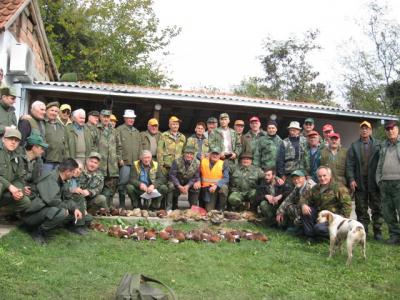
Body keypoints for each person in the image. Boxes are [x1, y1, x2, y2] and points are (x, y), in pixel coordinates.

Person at [23, 158, 89, 244]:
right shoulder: (51, 178)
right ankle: (38, 232)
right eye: (73, 172)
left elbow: (67, 197)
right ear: (67, 171)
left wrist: (75, 208)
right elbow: (53, 201)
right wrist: (69, 209)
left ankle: (47, 227)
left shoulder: (62, 180)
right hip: (31, 215)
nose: (73, 175)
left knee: (78, 215)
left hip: (43, 210)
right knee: (62, 212)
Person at [346, 121, 382, 240]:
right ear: (359, 131)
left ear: (371, 131)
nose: (364, 130)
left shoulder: (378, 145)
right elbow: (349, 164)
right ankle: (363, 231)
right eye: (362, 129)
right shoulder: (354, 145)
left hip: (374, 181)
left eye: (367, 129)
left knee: (377, 207)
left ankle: (378, 232)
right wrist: (351, 179)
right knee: (361, 208)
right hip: (359, 181)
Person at [299, 166, 352, 240]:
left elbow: (347, 206)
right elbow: (304, 198)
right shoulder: (316, 188)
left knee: (319, 228)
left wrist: (341, 222)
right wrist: (303, 205)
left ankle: (336, 236)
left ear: (330, 176)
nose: (322, 178)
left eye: (324, 175)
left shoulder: (339, 188)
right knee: (306, 211)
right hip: (320, 216)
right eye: (320, 176)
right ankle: (311, 236)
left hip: (334, 219)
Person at [376, 120, 400, 245]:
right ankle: (394, 236)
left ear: (398, 129)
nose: (390, 131)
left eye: (393, 128)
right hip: (385, 183)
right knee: (388, 212)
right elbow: (380, 164)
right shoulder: (384, 145)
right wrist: (379, 180)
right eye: (388, 129)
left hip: (399, 183)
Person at [0, 128, 31, 216]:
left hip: (6, 189)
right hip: (2, 186)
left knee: (25, 202)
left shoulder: (18, 156)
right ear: (4, 139)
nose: (13, 142)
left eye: (16, 140)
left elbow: (19, 178)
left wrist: (18, 190)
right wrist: (10, 186)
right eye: (11, 139)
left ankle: (2, 213)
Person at [116, 109, 141, 209]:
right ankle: (122, 205)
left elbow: (140, 147)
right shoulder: (119, 130)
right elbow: (117, 146)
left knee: (135, 184)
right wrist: (119, 158)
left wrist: (140, 158)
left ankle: (135, 204)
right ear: (125, 118)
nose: (131, 120)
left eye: (133, 118)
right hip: (125, 162)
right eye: (129, 118)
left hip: (135, 163)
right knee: (122, 183)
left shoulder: (136, 131)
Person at [97, 109, 120, 208]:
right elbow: (93, 145)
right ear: (100, 117)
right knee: (99, 186)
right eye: (104, 117)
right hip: (100, 164)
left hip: (112, 164)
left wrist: (119, 158)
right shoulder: (96, 129)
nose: (106, 119)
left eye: (108, 117)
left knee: (111, 187)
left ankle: (109, 206)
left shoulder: (114, 131)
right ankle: (100, 207)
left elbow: (119, 146)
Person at [199, 147, 229, 211]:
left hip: (218, 187)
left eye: (217, 154)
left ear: (220, 155)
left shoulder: (223, 163)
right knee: (209, 210)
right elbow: (195, 155)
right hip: (207, 190)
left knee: (224, 188)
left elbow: (226, 178)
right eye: (213, 154)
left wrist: (216, 185)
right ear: (209, 154)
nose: (215, 155)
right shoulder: (203, 161)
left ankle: (221, 209)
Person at [43, 102, 65, 174]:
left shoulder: (61, 126)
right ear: (46, 111)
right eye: (52, 110)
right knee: (44, 180)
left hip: (59, 161)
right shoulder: (42, 123)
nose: (54, 113)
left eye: (56, 111)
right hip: (46, 160)